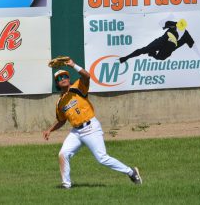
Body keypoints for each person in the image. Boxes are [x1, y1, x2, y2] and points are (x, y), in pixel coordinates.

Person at [43, 57, 142, 189]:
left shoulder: (78, 87)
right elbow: (62, 120)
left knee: (102, 158)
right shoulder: (60, 102)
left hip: (91, 127)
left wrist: (73, 65)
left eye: (65, 76)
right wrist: (50, 130)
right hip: (76, 132)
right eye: (60, 78)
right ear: (57, 83)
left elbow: (87, 76)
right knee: (63, 153)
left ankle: (131, 172)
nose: (63, 79)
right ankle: (66, 184)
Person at [119, 20, 195, 63]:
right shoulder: (174, 24)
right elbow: (166, 24)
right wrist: (167, 26)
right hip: (161, 42)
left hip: (169, 47)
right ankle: (126, 58)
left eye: (180, 27)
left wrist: (189, 43)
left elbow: (191, 44)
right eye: (177, 26)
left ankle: (153, 54)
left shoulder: (186, 35)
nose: (178, 27)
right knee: (143, 50)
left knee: (160, 57)